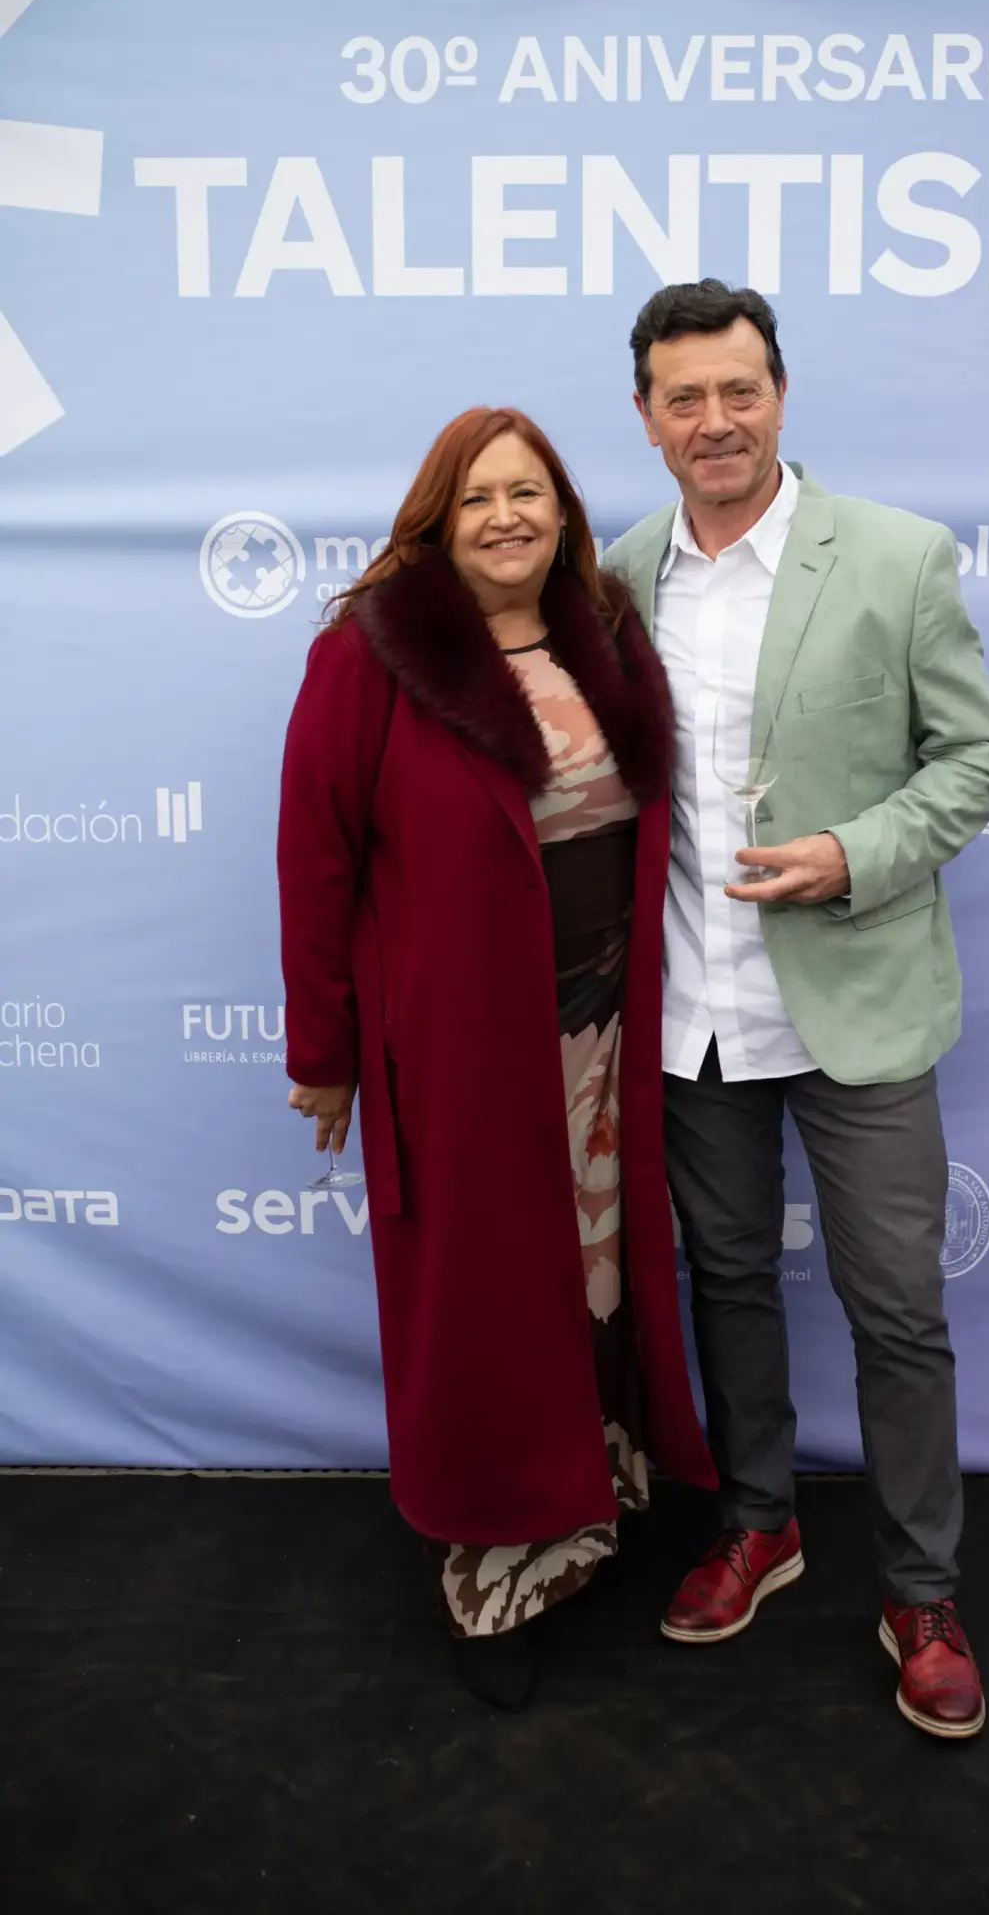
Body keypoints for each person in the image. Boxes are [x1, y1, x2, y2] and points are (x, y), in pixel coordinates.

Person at [604, 281, 989, 1739]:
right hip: (691, 1011)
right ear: (646, 418)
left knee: (896, 1308)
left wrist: (853, 851)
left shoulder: (897, 555)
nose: (715, 420)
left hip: (858, 1000)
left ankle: (920, 1593)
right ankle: (757, 1522)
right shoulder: (620, 575)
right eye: (684, 398)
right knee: (724, 1281)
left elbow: (975, 758)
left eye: (740, 390)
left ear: (779, 394)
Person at [277, 407, 715, 1712]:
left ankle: (589, 1505)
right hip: (462, 1048)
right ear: (436, 521)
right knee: (485, 1307)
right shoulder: (368, 655)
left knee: (594, 1283)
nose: (506, 518)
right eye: (477, 498)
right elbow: (314, 860)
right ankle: (494, 1571)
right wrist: (326, 1051)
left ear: (563, 513)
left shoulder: (605, 635)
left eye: (528, 493)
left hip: (607, 1031)